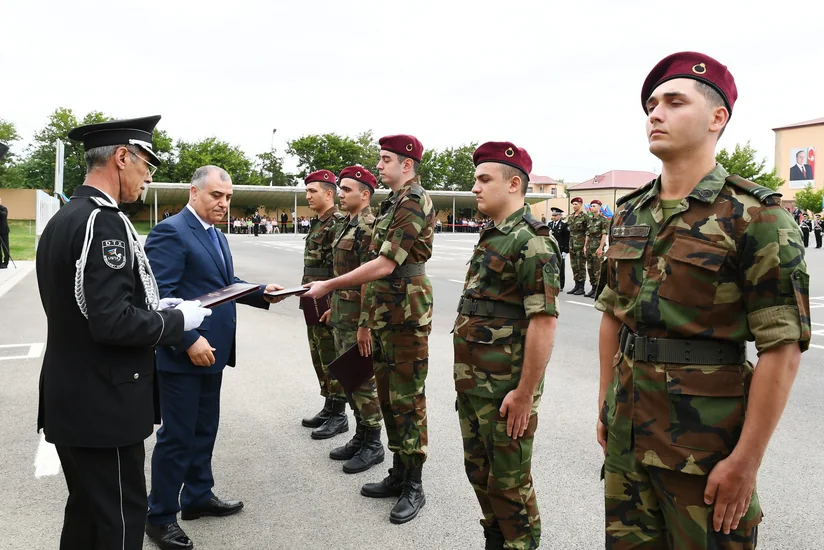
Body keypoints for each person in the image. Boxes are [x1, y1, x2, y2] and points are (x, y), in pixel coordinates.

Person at [596, 51, 810, 549]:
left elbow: (780, 349)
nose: (655, 113)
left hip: (705, 449)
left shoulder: (758, 218)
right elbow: (612, 316)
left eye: (674, 102)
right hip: (628, 437)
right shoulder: (630, 212)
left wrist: (747, 460)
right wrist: (605, 405)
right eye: (652, 104)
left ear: (718, 118)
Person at [35, 115, 211, 550]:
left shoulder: (67, 216)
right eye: (145, 166)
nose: (148, 178)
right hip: (103, 403)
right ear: (120, 157)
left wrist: (155, 305)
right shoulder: (104, 222)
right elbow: (111, 322)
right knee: (119, 521)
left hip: (74, 396)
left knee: (87, 518)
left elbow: (87, 307)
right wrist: (177, 322)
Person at [143, 165, 283, 550]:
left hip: (213, 353)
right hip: (183, 355)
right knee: (177, 437)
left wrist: (259, 291)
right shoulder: (170, 232)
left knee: (204, 429)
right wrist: (187, 339)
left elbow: (220, 287)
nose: (223, 203)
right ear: (194, 192)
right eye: (216, 196)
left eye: (228, 197)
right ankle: (160, 517)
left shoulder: (215, 234)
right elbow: (158, 299)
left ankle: (198, 496)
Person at [303, 134, 435, 524]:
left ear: (406, 164)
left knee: (407, 399)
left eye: (386, 159)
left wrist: (328, 285)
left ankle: (414, 483)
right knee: (388, 395)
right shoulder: (393, 201)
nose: (379, 166)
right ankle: (397, 472)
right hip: (384, 310)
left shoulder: (412, 200)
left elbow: (384, 264)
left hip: (406, 313)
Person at [454, 142, 560, 549]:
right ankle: (495, 540)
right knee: (480, 475)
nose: (476, 188)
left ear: (514, 184)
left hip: (505, 392)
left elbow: (543, 323)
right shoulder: (494, 236)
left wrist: (525, 393)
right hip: (475, 386)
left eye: (484, 180)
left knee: (510, 486)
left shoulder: (531, 241)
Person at [324, 165, 385, 474]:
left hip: (357, 320)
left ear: (365, 194)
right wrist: (335, 307)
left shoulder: (368, 227)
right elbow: (342, 276)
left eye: (346, 189)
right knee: (349, 378)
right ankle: (361, 434)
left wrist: (365, 325)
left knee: (362, 380)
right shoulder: (346, 225)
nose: (340, 194)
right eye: (340, 188)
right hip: (342, 315)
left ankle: (373, 443)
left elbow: (369, 281)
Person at [299, 169, 349, 439]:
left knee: (332, 355)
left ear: (329, 193)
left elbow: (341, 269)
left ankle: (339, 413)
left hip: (328, 299)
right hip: (311, 296)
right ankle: (329, 405)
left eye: (312, 191)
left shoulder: (337, 223)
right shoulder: (319, 222)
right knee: (318, 353)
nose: (308, 196)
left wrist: (337, 303)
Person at [583, 199, 608, 298]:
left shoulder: (603, 220)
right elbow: (587, 234)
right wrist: (585, 246)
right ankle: (593, 288)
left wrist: (600, 248)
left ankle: (598, 290)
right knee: (590, 268)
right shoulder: (590, 220)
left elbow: (604, 234)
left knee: (598, 269)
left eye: (594, 206)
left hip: (597, 246)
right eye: (591, 206)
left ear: (599, 207)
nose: (591, 207)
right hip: (590, 248)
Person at [566, 196, 589, 295]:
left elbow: (588, 231)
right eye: (573, 204)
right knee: (574, 265)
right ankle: (576, 285)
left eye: (576, 204)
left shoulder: (585, 217)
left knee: (581, 266)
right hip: (572, 244)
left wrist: (585, 246)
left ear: (581, 205)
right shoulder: (571, 217)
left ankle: (581, 287)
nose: (574, 206)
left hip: (580, 244)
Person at [548, 207, 570, 289]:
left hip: (560, 249)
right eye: (553, 215)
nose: (554, 217)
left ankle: (561, 285)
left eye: (555, 215)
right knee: (551, 267)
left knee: (560, 267)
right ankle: (552, 283)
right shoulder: (550, 224)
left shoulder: (564, 225)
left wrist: (565, 250)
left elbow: (567, 238)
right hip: (551, 249)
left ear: (560, 215)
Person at [0, 195, 9, 269]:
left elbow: (4, 215)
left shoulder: (4, 209)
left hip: (4, 231)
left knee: (5, 247)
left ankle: (6, 263)